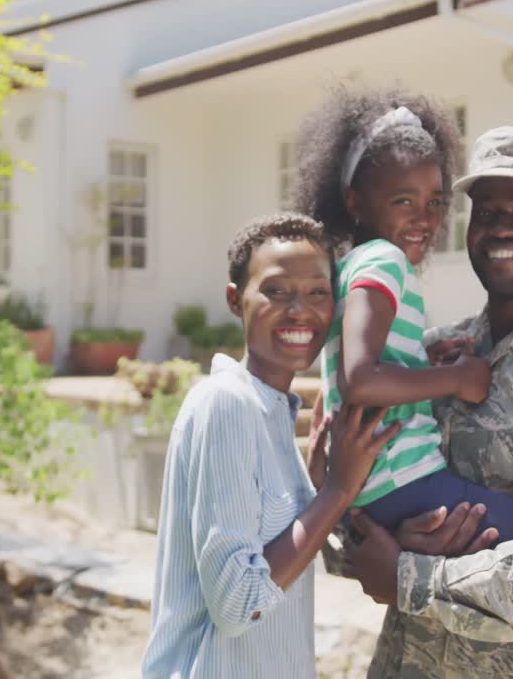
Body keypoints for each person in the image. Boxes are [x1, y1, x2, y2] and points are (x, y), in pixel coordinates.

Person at [295, 87, 513, 677]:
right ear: (358, 202)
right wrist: (344, 515)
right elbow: (354, 552)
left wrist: (414, 573)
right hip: (405, 655)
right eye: (487, 211)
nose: (503, 227)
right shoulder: (415, 308)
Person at [142, 213, 401, 679]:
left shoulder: (275, 415)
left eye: (318, 293)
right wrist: (336, 492)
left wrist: (322, 489)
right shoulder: (226, 404)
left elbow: (288, 568)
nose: (300, 310)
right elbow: (239, 602)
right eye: (276, 291)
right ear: (235, 299)